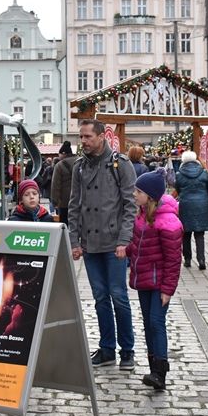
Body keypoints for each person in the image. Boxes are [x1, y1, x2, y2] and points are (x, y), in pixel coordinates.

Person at [67, 119, 138, 370]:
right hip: (90, 244)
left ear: (101, 137)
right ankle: (107, 348)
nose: (83, 141)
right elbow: (73, 206)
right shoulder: (79, 167)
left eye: (87, 136)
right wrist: (74, 241)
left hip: (114, 243)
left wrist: (124, 240)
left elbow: (130, 206)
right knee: (100, 298)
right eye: (81, 137)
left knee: (118, 297)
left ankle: (127, 350)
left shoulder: (120, 164)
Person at [126, 172, 182, 391]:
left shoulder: (169, 222)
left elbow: (173, 260)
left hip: (159, 283)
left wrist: (168, 289)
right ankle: (153, 369)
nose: (134, 194)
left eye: (138, 191)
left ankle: (160, 372)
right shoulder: (142, 215)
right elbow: (139, 245)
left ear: (150, 196)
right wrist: (125, 250)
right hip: (144, 280)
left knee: (156, 323)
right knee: (149, 324)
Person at [174, 151, 208, 270]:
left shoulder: (179, 174)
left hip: (186, 204)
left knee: (186, 234)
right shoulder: (204, 173)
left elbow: (178, 189)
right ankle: (201, 259)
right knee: (199, 234)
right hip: (202, 204)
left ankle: (187, 259)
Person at [50, 141, 77, 219]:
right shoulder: (81, 162)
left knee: (65, 223)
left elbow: (55, 185)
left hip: (65, 202)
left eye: (59, 154)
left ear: (63, 153)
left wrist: (55, 201)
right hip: (80, 201)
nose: (59, 156)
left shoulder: (59, 165)